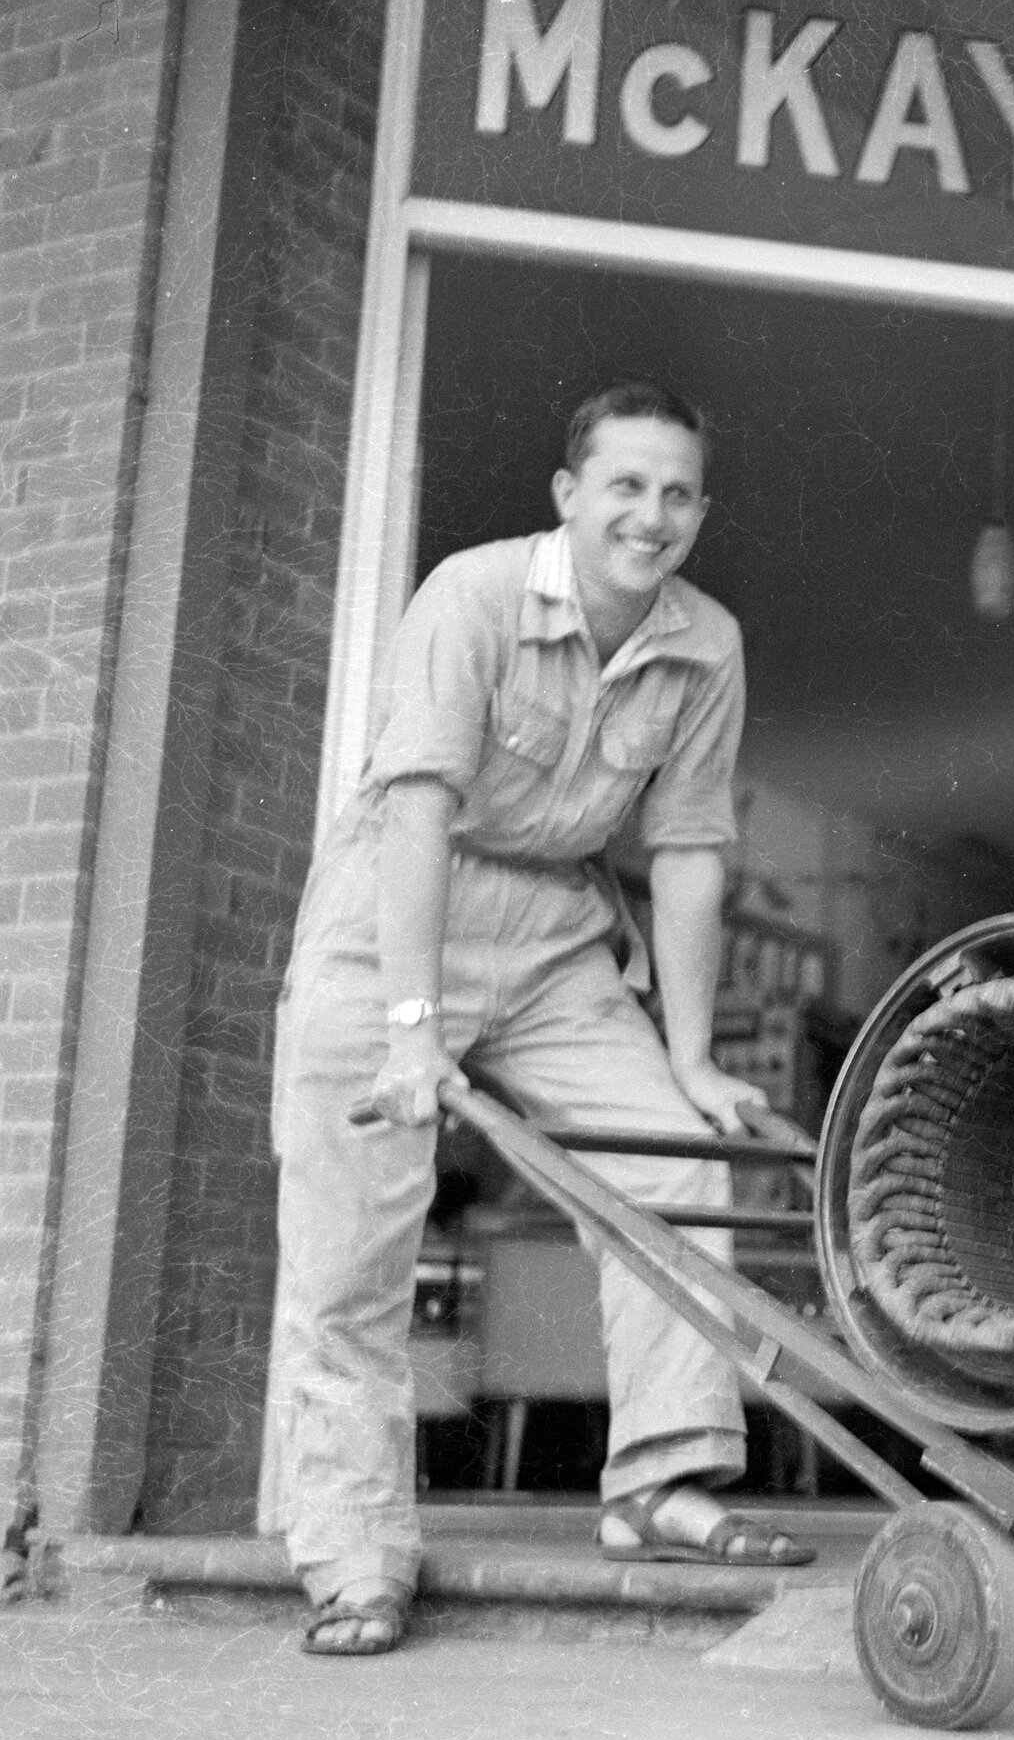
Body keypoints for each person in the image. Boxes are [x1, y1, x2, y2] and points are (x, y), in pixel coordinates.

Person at [269, 379, 813, 1658]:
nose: (652, 513)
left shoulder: (705, 641)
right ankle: (353, 1557)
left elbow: (684, 850)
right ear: (569, 494)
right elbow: (416, 806)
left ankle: (657, 1484)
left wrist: (688, 1054)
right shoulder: (474, 592)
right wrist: (412, 1020)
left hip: (560, 930)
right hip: (396, 914)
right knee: (352, 1244)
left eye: (678, 491)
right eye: (625, 484)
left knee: (673, 1154)